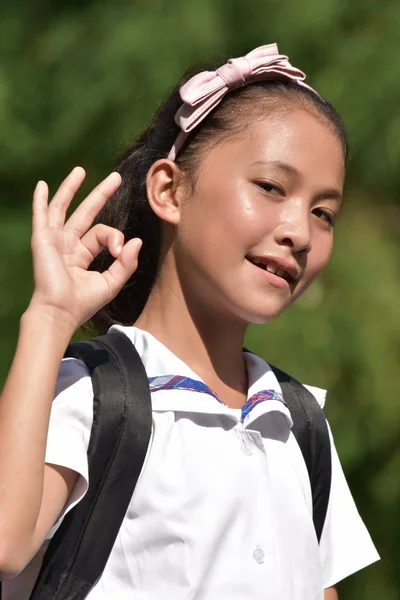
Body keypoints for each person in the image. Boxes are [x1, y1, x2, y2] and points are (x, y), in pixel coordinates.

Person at [0, 43, 379, 599]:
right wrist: (49, 318)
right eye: (271, 187)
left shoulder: (297, 424)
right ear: (168, 190)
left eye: (324, 213)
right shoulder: (92, 398)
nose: (300, 231)